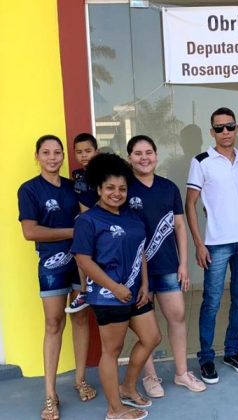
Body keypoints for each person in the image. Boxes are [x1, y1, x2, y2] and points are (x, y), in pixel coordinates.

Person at [71, 153, 161, 420]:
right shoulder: (89, 220)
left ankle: (127, 387)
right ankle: (115, 409)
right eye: (110, 187)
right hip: (108, 296)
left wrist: (145, 284)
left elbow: (141, 252)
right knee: (111, 351)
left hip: (135, 292)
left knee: (152, 338)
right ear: (99, 189)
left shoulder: (133, 216)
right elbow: (83, 260)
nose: (116, 193)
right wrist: (115, 287)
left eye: (122, 188)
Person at [17, 134, 96, 420]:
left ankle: (80, 380)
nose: (52, 158)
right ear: (37, 156)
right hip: (52, 264)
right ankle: (50, 395)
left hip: (80, 261)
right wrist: (73, 231)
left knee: (81, 318)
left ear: (64, 156)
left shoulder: (74, 187)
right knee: (53, 323)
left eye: (57, 152)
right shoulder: (29, 189)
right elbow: (30, 232)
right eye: (46, 152)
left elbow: (91, 216)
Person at [126, 135, 206, 397]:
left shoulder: (168, 187)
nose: (144, 158)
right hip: (137, 271)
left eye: (149, 152)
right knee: (145, 326)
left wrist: (183, 263)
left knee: (177, 316)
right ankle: (150, 376)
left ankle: (182, 373)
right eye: (138, 153)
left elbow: (180, 226)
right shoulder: (124, 189)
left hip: (168, 266)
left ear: (156, 155)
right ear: (129, 158)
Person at [186, 107, 238, 384]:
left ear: (236, 129)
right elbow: (190, 204)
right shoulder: (202, 161)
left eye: (230, 126)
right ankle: (206, 357)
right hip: (215, 245)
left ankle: (232, 351)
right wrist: (199, 244)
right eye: (219, 128)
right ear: (212, 132)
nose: (225, 132)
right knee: (211, 303)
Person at [65, 132, 99, 314]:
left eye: (88, 151)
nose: (84, 155)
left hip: (99, 221)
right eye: (79, 152)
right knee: (80, 255)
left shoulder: (103, 173)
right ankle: (84, 291)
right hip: (83, 221)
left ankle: (96, 289)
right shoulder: (77, 175)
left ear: (96, 151)